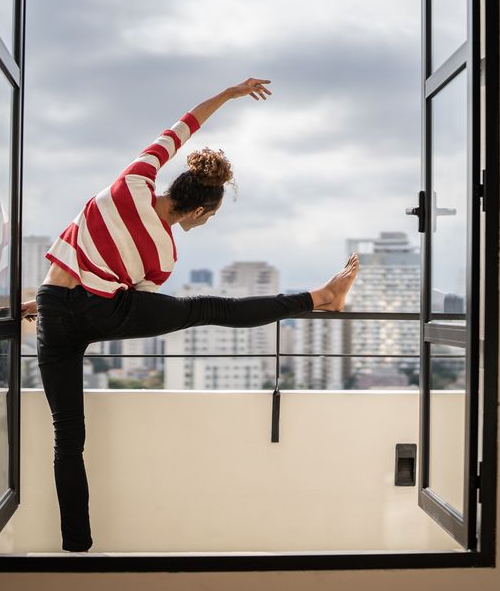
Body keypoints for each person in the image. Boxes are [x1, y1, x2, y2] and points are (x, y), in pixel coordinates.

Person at [21, 78, 360, 552]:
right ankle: (321, 297)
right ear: (199, 208)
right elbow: (128, 298)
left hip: (54, 307)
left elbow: (185, 124)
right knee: (207, 308)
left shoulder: (134, 179)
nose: (204, 224)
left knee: (67, 437)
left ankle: (76, 546)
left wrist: (231, 93)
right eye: (210, 218)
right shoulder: (164, 254)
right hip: (99, 312)